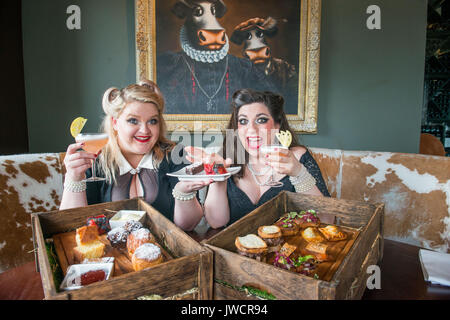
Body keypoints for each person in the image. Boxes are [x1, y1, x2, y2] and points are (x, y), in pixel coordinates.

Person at [60, 80, 210, 231]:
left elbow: (188, 226)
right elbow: (71, 227)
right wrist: (74, 179)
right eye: (133, 120)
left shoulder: (175, 155)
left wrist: (183, 193)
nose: (145, 130)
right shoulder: (94, 160)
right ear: (115, 122)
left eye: (152, 121)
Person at [186, 89, 330, 229]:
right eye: (243, 121)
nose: (251, 130)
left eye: (261, 120)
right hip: (236, 249)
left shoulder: (298, 157)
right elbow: (216, 222)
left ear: (277, 125)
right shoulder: (226, 160)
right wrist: (219, 176)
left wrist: (299, 173)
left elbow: (327, 219)